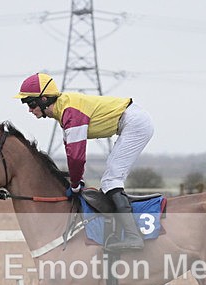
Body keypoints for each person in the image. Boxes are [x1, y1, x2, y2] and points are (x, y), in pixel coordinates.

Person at [14, 72, 154, 252]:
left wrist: (74, 185)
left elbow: (77, 157)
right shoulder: (63, 111)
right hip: (131, 121)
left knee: (111, 180)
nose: (29, 110)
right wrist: (76, 181)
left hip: (135, 123)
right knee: (109, 181)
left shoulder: (71, 113)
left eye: (31, 104)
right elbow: (70, 151)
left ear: (44, 99)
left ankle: (133, 236)